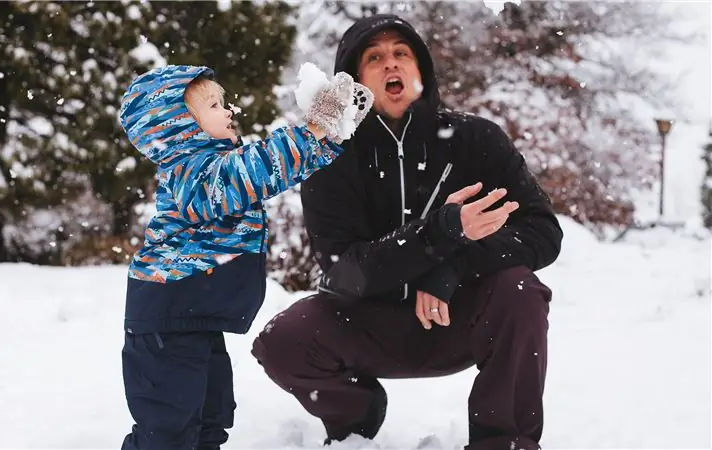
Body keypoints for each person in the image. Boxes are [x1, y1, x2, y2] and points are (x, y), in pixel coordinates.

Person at [251, 14, 563, 450]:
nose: (390, 64)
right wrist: (439, 233)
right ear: (355, 80)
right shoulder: (331, 158)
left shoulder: (477, 140)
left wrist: (452, 268)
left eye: (402, 53)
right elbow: (343, 272)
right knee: (283, 341)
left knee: (521, 291)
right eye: (374, 57)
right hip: (369, 322)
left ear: (421, 70)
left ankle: (504, 441)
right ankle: (356, 414)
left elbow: (543, 232)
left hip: (458, 316)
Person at [117, 64, 371, 450]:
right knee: (168, 429)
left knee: (210, 418)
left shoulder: (211, 166)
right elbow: (253, 172)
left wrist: (324, 138)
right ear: (178, 125)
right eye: (216, 105)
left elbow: (265, 171)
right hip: (166, 323)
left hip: (192, 319)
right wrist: (311, 131)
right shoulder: (190, 173)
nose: (230, 110)